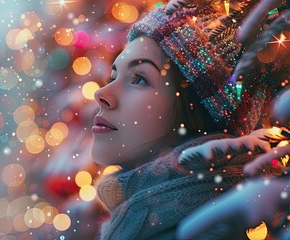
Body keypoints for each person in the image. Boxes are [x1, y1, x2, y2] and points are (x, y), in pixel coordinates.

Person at [91, 2, 288, 239]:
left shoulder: (197, 230)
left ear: (194, 113)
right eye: (113, 76)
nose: (102, 94)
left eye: (139, 79)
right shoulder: (143, 217)